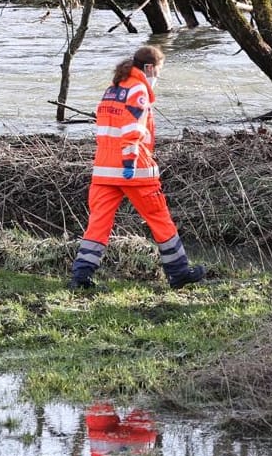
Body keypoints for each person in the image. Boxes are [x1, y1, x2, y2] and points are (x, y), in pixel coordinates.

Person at [69, 46, 207, 290]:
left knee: (98, 224)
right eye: (159, 71)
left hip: (103, 169)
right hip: (134, 170)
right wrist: (130, 162)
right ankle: (179, 272)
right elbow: (132, 130)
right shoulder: (139, 90)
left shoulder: (112, 89)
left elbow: (104, 128)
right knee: (159, 218)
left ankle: (81, 276)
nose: (158, 77)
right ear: (150, 68)